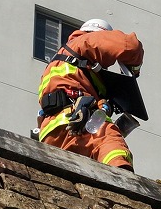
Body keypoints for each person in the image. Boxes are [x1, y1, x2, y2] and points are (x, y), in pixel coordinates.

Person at [36, 19, 143, 171]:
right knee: (111, 143)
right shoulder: (85, 41)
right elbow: (129, 45)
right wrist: (134, 69)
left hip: (53, 132)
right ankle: (124, 183)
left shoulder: (65, 64)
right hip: (81, 123)